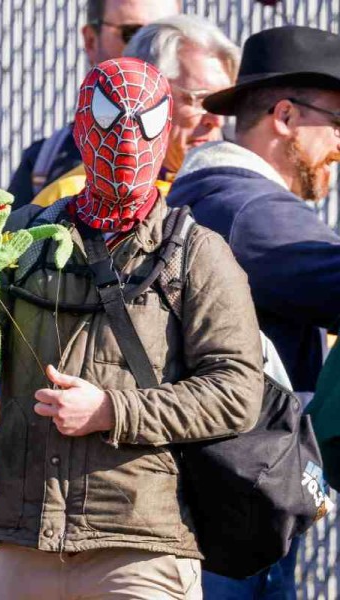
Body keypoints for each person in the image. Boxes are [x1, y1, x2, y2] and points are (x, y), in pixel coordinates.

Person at [0, 57, 263, 599]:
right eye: (109, 118)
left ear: (165, 129)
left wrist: (111, 410)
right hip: (26, 540)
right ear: (83, 123)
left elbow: (238, 391)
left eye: (147, 123)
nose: (127, 139)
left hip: (140, 546)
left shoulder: (196, 252)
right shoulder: (22, 240)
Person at [166, 25, 340, 599]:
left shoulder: (202, 196)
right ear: (286, 116)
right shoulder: (250, 209)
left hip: (203, 505)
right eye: (335, 123)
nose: (338, 144)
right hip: (230, 515)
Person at [31, 13, 239, 208]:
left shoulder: (238, 192)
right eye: (201, 100)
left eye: (223, 103)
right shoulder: (71, 198)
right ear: (143, 97)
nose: (217, 120)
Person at [7, 0, 180, 208]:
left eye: (168, 35)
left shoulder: (209, 150)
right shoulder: (46, 162)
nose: (155, 50)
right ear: (91, 41)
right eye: (133, 33)